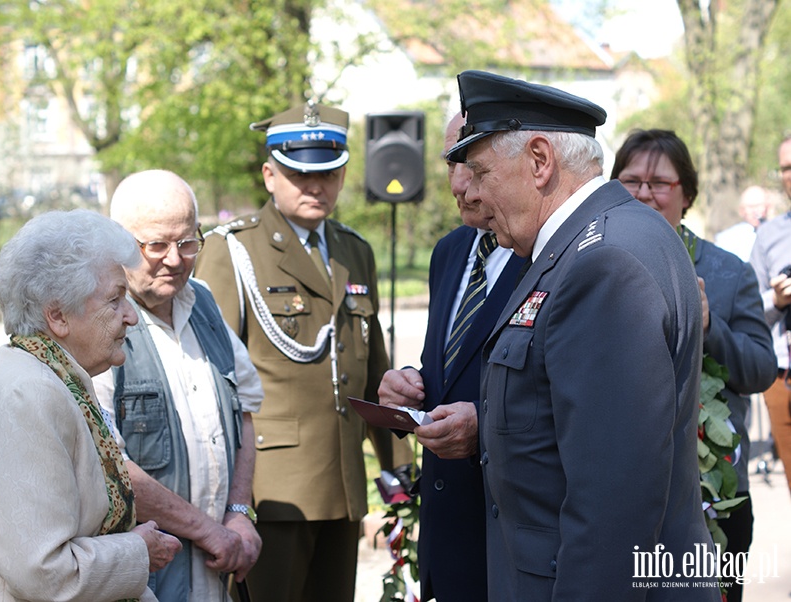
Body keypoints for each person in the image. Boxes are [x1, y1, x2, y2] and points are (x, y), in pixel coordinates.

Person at [446, 70, 720, 600]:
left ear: (540, 160)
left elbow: (612, 507)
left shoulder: (602, 263)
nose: (471, 193)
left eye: (480, 172)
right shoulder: (602, 238)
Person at [193, 101, 412, 602]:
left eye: (329, 173)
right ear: (270, 175)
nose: (316, 186)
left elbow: (372, 365)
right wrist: (228, 498)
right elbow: (211, 379)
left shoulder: (355, 250)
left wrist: (399, 466)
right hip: (271, 490)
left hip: (343, 482)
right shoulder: (232, 251)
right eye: (298, 173)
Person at [0, 210, 181, 601]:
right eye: (115, 299)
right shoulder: (28, 393)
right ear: (58, 316)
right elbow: (43, 572)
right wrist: (139, 551)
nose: (131, 316)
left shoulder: (51, 375)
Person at [611, 128, 776, 602]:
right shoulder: (595, 264)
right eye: (630, 180)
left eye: (660, 183)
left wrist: (708, 325)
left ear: (687, 194)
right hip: (625, 491)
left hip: (713, 497)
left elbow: (761, 369)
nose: (644, 193)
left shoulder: (728, 272)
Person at [93, 169, 264, 602]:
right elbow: (107, 464)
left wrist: (239, 513)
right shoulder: (95, 323)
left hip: (213, 577)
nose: (175, 259)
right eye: (156, 245)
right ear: (117, 241)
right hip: (143, 583)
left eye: (188, 242)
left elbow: (242, 411)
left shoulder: (203, 300)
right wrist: (209, 530)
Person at [376, 112, 525, 601]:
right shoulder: (450, 251)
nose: (459, 183)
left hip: (510, 541)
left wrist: (483, 424)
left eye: (474, 166)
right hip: (447, 538)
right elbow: (453, 368)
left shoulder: (547, 253)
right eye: (451, 164)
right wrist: (408, 387)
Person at [749, 133, 791, 499]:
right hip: (783, 377)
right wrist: (777, 301)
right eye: (786, 168)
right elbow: (749, 313)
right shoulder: (770, 236)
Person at [715, 185, 775, 261]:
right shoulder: (728, 238)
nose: (755, 211)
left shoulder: (777, 232)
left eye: (759, 205)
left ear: (768, 207)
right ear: (741, 210)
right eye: (751, 207)